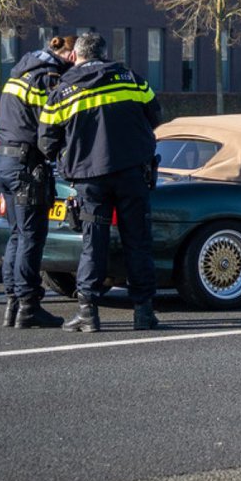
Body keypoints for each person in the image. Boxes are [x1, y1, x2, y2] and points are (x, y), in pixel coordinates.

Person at [39, 31, 162, 333]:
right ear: (105, 53)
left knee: (93, 243)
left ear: (77, 55)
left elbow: (46, 141)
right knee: (138, 241)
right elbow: (156, 116)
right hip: (133, 173)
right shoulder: (133, 80)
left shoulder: (63, 90)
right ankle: (144, 313)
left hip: (90, 178)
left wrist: (68, 153)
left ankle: (88, 313)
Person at [0, 34, 75, 328]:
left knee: (17, 234)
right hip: (27, 165)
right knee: (31, 237)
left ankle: (13, 302)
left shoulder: (21, 72)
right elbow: (49, 125)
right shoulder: (48, 78)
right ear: (71, 55)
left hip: (4, 159)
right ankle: (28, 306)